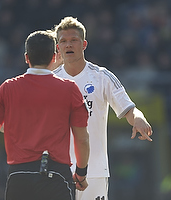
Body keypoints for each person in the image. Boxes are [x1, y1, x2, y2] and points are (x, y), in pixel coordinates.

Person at [0, 30, 90, 200]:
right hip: (56, 176)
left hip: (19, 178)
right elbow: (82, 138)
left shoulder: (7, 88)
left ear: (27, 58)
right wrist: (81, 173)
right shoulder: (70, 89)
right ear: (54, 56)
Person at [53, 16, 153, 200]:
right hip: (58, 170)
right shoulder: (51, 80)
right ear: (58, 47)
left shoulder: (101, 77)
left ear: (83, 44)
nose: (68, 45)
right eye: (63, 41)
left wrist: (138, 118)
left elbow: (129, 108)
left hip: (94, 170)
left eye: (73, 40)